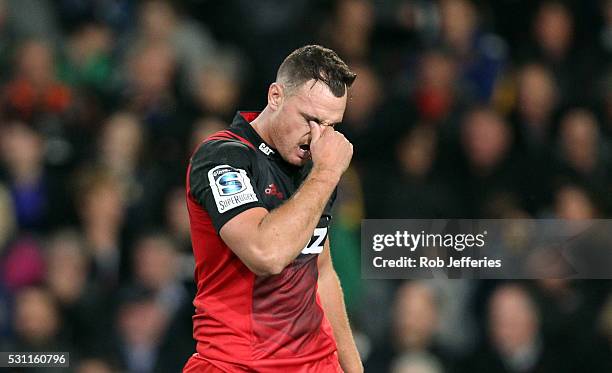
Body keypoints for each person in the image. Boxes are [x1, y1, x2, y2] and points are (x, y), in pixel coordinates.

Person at [183, 45, 362, 372]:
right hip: (236, 364)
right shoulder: (223, 158)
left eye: (332, 125)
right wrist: (326, 174)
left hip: (317, 364)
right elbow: (266, 255)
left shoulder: (316, 167)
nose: (318, 137)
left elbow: (320, 272)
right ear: (276, 96)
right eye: (310, 120)